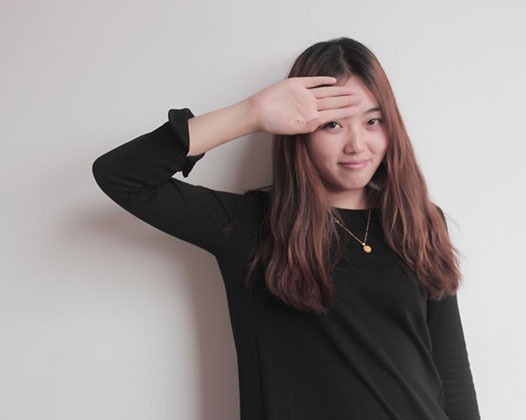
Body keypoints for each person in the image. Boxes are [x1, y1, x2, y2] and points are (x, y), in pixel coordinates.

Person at [92, 37, 480, 420]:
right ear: (301, 132)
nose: (357, 145)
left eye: (373, 121)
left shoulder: (418, 220)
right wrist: (253, 113)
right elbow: (122, 176)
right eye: (332, 124)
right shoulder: (249, 226)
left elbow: (451, 373)